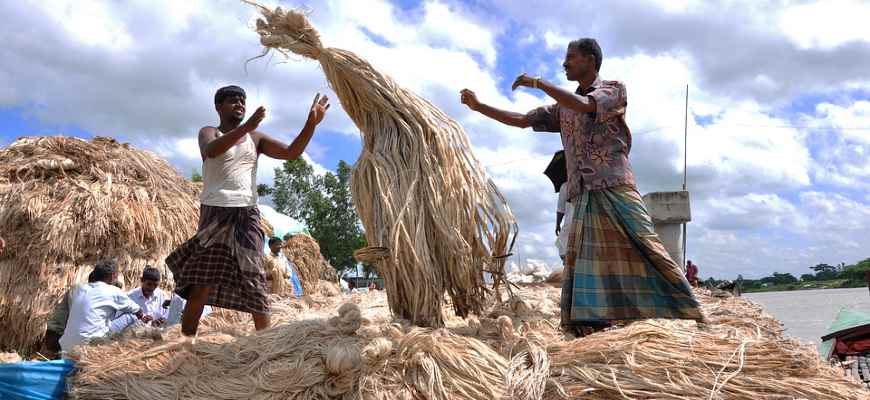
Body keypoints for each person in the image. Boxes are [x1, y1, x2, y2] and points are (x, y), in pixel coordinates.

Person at [460, 38, 704, 336]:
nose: (564, 63)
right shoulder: (563, 108)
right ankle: (592, 320)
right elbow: (523, 120)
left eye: (570, 58)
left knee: (645, 244)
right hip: (584, 191)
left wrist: (538, 83)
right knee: (585, 260)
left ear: (590, 59)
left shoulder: (612, 90)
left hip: (613, 183)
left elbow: (585, 105)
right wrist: (478, 106)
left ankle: (687, 310)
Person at [166, 85, 330, 337]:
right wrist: (247, 126)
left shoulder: (256, 139)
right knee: (202, 283)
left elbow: (291, 152)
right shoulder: (209, 132)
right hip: (216, 212)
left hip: (247, 215)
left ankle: (263, 344)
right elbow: (211, 150)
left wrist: (311, 124)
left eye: (242, 101)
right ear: (218, 107)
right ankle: (187, 342)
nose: (240, 105)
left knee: (255, 279)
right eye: (233, 101)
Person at [58, 260, 146, 353]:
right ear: (113, 276)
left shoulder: (78, 289)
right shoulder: (113, 291)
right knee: (130, 317)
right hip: (90, 346)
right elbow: (138, 310)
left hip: (66, 345)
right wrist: (142, 317)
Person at [109, 267, 171, 332]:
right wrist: (140, 322)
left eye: (155, 285)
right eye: (149, 284)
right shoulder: (130, 297)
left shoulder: (162, 296)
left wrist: (161, 321)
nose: (152, 288)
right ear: (142, 280)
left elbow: (168, 316)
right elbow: (118, 322)